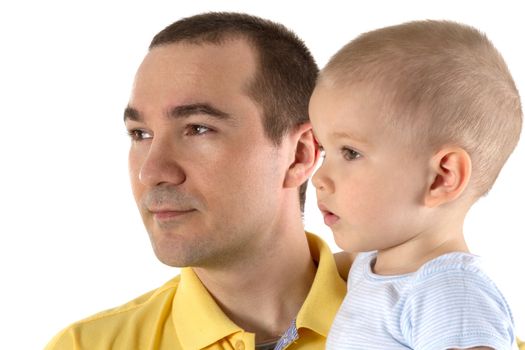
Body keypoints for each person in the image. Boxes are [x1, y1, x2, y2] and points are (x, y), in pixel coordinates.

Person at [45, 12, 347, 350]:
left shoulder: (409, 323)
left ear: (300, 155)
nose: (152, 172)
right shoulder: (86, 346)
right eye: (140, 134)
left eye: (198, 128)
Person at [310, 20, 521, 349]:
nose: (318, 178)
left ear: (441, 178)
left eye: (350, 153)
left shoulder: (452, 294)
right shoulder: (369, 264)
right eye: (325, 151)